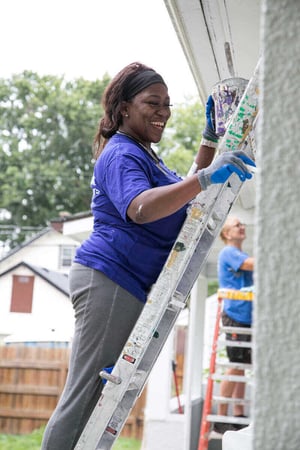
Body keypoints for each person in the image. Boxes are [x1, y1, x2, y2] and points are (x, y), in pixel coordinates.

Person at [41, 62, 255, 450]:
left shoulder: (146, 155)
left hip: (126, 283)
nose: (164, 111)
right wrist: (204, 178)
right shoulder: (121, 154)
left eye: (167, 104)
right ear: (123, 108)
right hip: (109, 277)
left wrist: (209, 141)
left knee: (95, 400)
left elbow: (182, 192)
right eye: (152, 102)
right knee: (83, 397)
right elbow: (142, 207)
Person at [214, 215, 254, 435]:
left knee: (242, 367)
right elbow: (250, 265)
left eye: (242, 223)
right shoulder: (228, 253)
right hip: (235, 315)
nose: (242, 226)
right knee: (236, 364)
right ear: (227, 233)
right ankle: (221, 417)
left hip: (247, 316)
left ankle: (238, 415)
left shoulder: (240, 254)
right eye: (237, 225)